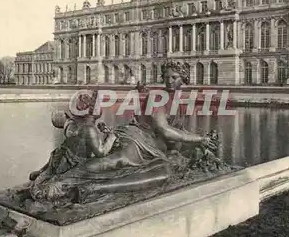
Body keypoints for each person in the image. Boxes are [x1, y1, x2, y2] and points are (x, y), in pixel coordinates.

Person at [28, 61, 216, 204]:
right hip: (138, 140)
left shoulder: (178, 102)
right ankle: (59, 183)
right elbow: (164, 130)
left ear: (183, 79)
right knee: (112, 161)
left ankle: (90, 188)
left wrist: (198, 140)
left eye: (174, 77)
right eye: (166, 76)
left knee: (159, 173)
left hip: (153, 150)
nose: (168, 80)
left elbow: (177, 130)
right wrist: (199, 139)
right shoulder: (158, 97)